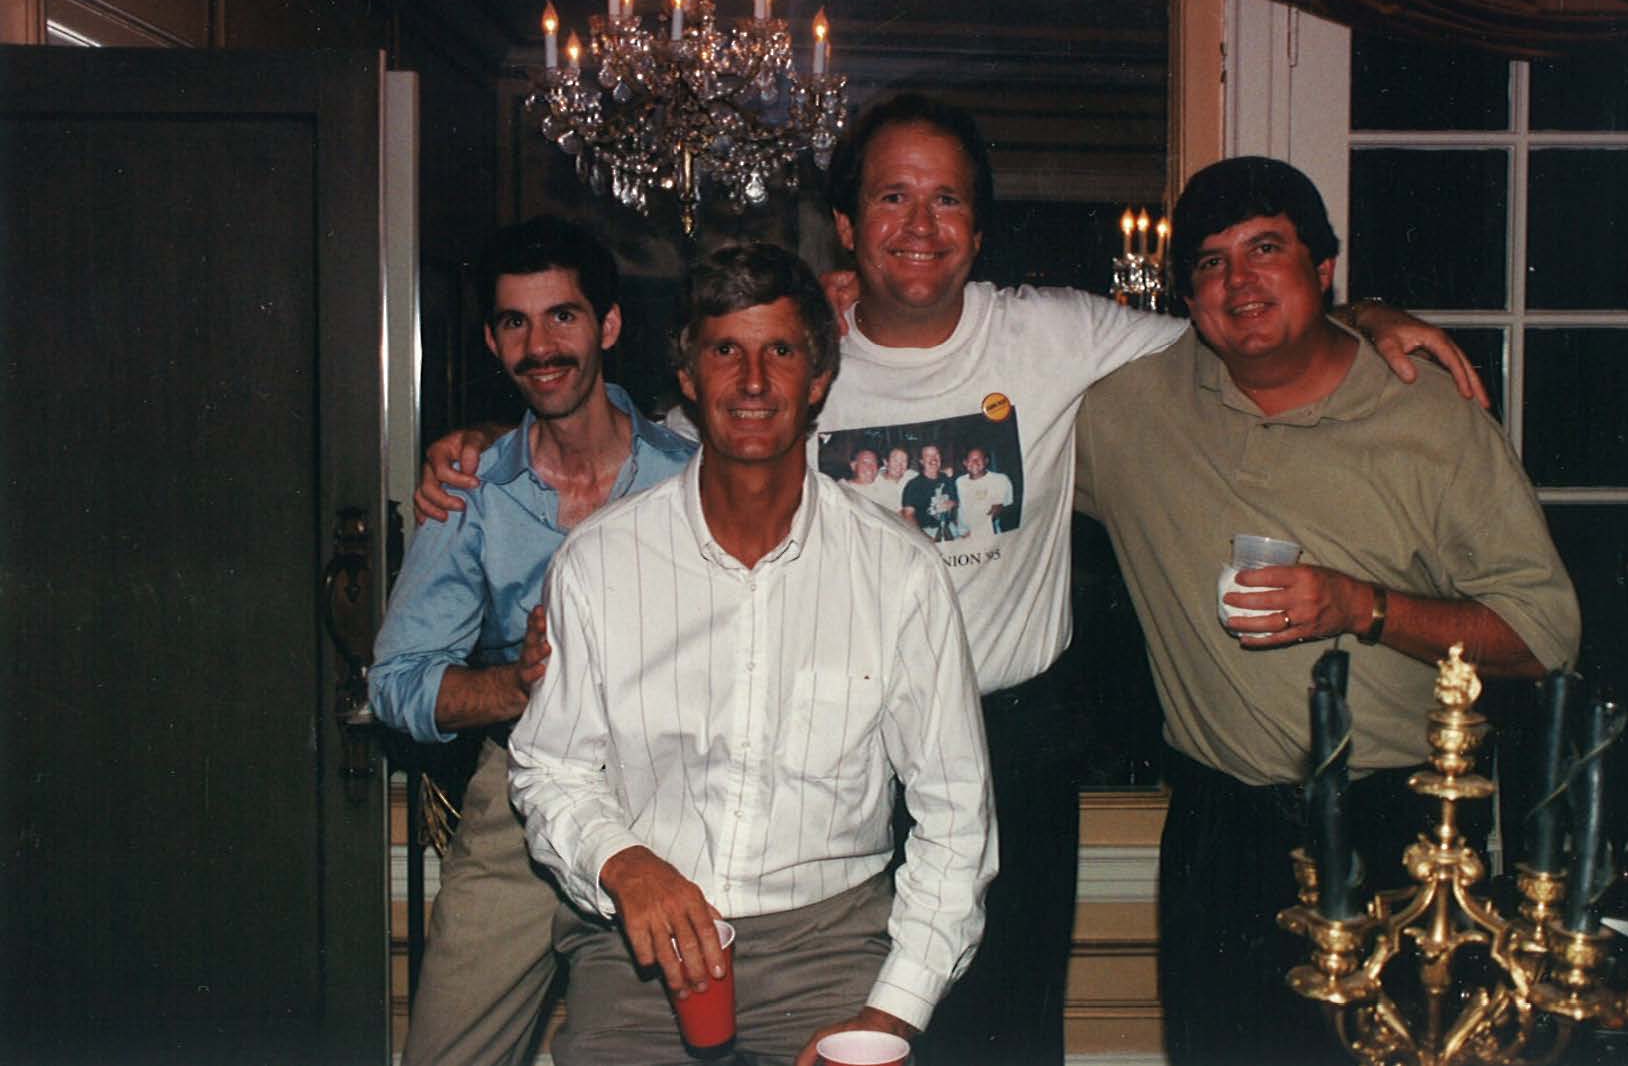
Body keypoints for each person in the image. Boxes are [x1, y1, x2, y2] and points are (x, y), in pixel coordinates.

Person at [418, 94, 1486, 1066]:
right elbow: (655, 445)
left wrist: (1363, 314)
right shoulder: (792, 349)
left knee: (1002, 1038)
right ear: (847, 225)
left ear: (978, 228)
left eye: (947, 200)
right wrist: (491, 446)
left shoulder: (1053, 333)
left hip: (1011, 742)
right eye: (892, 196)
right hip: (826, 749)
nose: (919, 224)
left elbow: (1242, 328)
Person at [1073, 156, 1582, 1066]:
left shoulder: (1429, 418)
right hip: (1217, 832)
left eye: (1266, 249)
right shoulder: (1128, 411)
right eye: (1211, 263)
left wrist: (1363, 606)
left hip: (1396, 828)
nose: (1239, 282)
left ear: (1324, 270)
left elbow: (1543, 636)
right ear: (1187, 297)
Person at [507, 243, 995, 1066]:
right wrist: (621, 861)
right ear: (688, 378)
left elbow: (956, 814)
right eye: (725, 351)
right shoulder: (598, 562)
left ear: (819, 377)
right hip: (640, 954)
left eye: (781, 352)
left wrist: (895, 1011)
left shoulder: (899, 573)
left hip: (829, 951)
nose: (755, 381)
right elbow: (549, 769)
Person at [370, 216, 695, 1066]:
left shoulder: (690, 472)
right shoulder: (471, 490)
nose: (540, 346)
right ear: (492, 340)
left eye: (563, 316)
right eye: (515, 322)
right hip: (516, 798)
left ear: (608, 325)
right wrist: (516, 685)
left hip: (669, 801)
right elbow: (396, 681)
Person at [901, 443, 961, 540]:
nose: (933, 458)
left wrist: (952, 503)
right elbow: (908, 516)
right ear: (921, 461)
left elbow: (956, 502)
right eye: (928, 455)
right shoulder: (913, 485)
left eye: (936, 454)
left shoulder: (947, 479)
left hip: (950, 528)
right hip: (927, 532)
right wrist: (926, 538)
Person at [955, 447, 1014, 539]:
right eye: (970, 460)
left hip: (988, 534)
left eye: (979, 459)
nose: (975, 462)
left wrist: (976, 532)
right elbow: (959, 507)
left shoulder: (1000, 479)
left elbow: (999, 507)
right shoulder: (959, 482)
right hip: (962, 535)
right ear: (965, 463)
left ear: (986, 461)